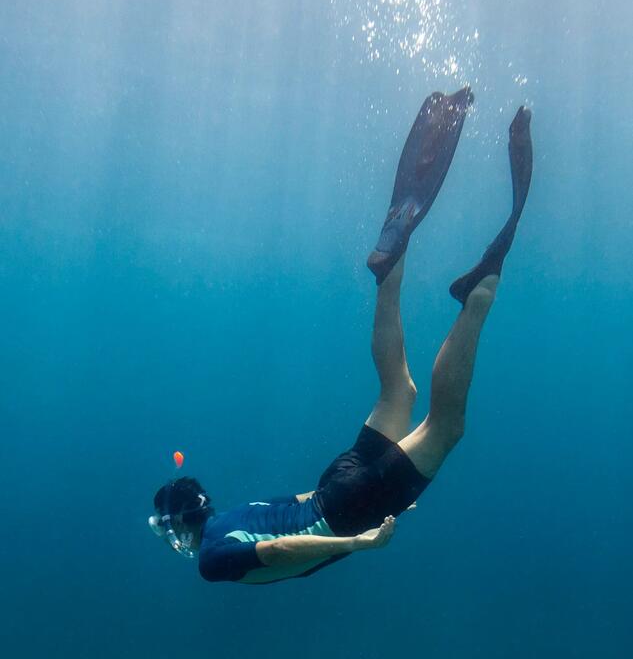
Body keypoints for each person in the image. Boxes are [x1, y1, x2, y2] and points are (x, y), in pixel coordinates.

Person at [149, 88, 533, 585]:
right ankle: (390, 269)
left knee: (445, 427)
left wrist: (360, 536)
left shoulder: (212, 559)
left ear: (179, 525)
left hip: (346, 512)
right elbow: (297, 507)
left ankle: (479, 295)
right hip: (338, 488)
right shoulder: (233, 515)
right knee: (399, 390)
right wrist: (385, 482)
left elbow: (281, 549)